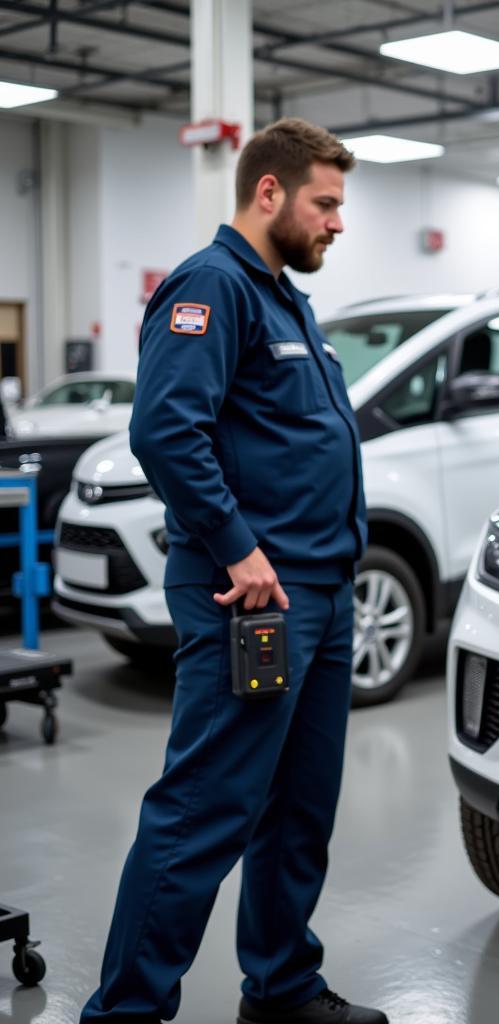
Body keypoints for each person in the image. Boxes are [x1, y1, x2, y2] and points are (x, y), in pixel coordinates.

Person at [81, 118, 386, 1024]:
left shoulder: (285, 298)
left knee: (298, 811)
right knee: (202, 813)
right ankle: (126, 1012)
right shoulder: (212, 285)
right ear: (269, 192)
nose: (337, 221)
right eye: (325, 202)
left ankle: (282, 987)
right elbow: (165, 430)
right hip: (251, 597)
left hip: (321, 597)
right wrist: (238, 545)